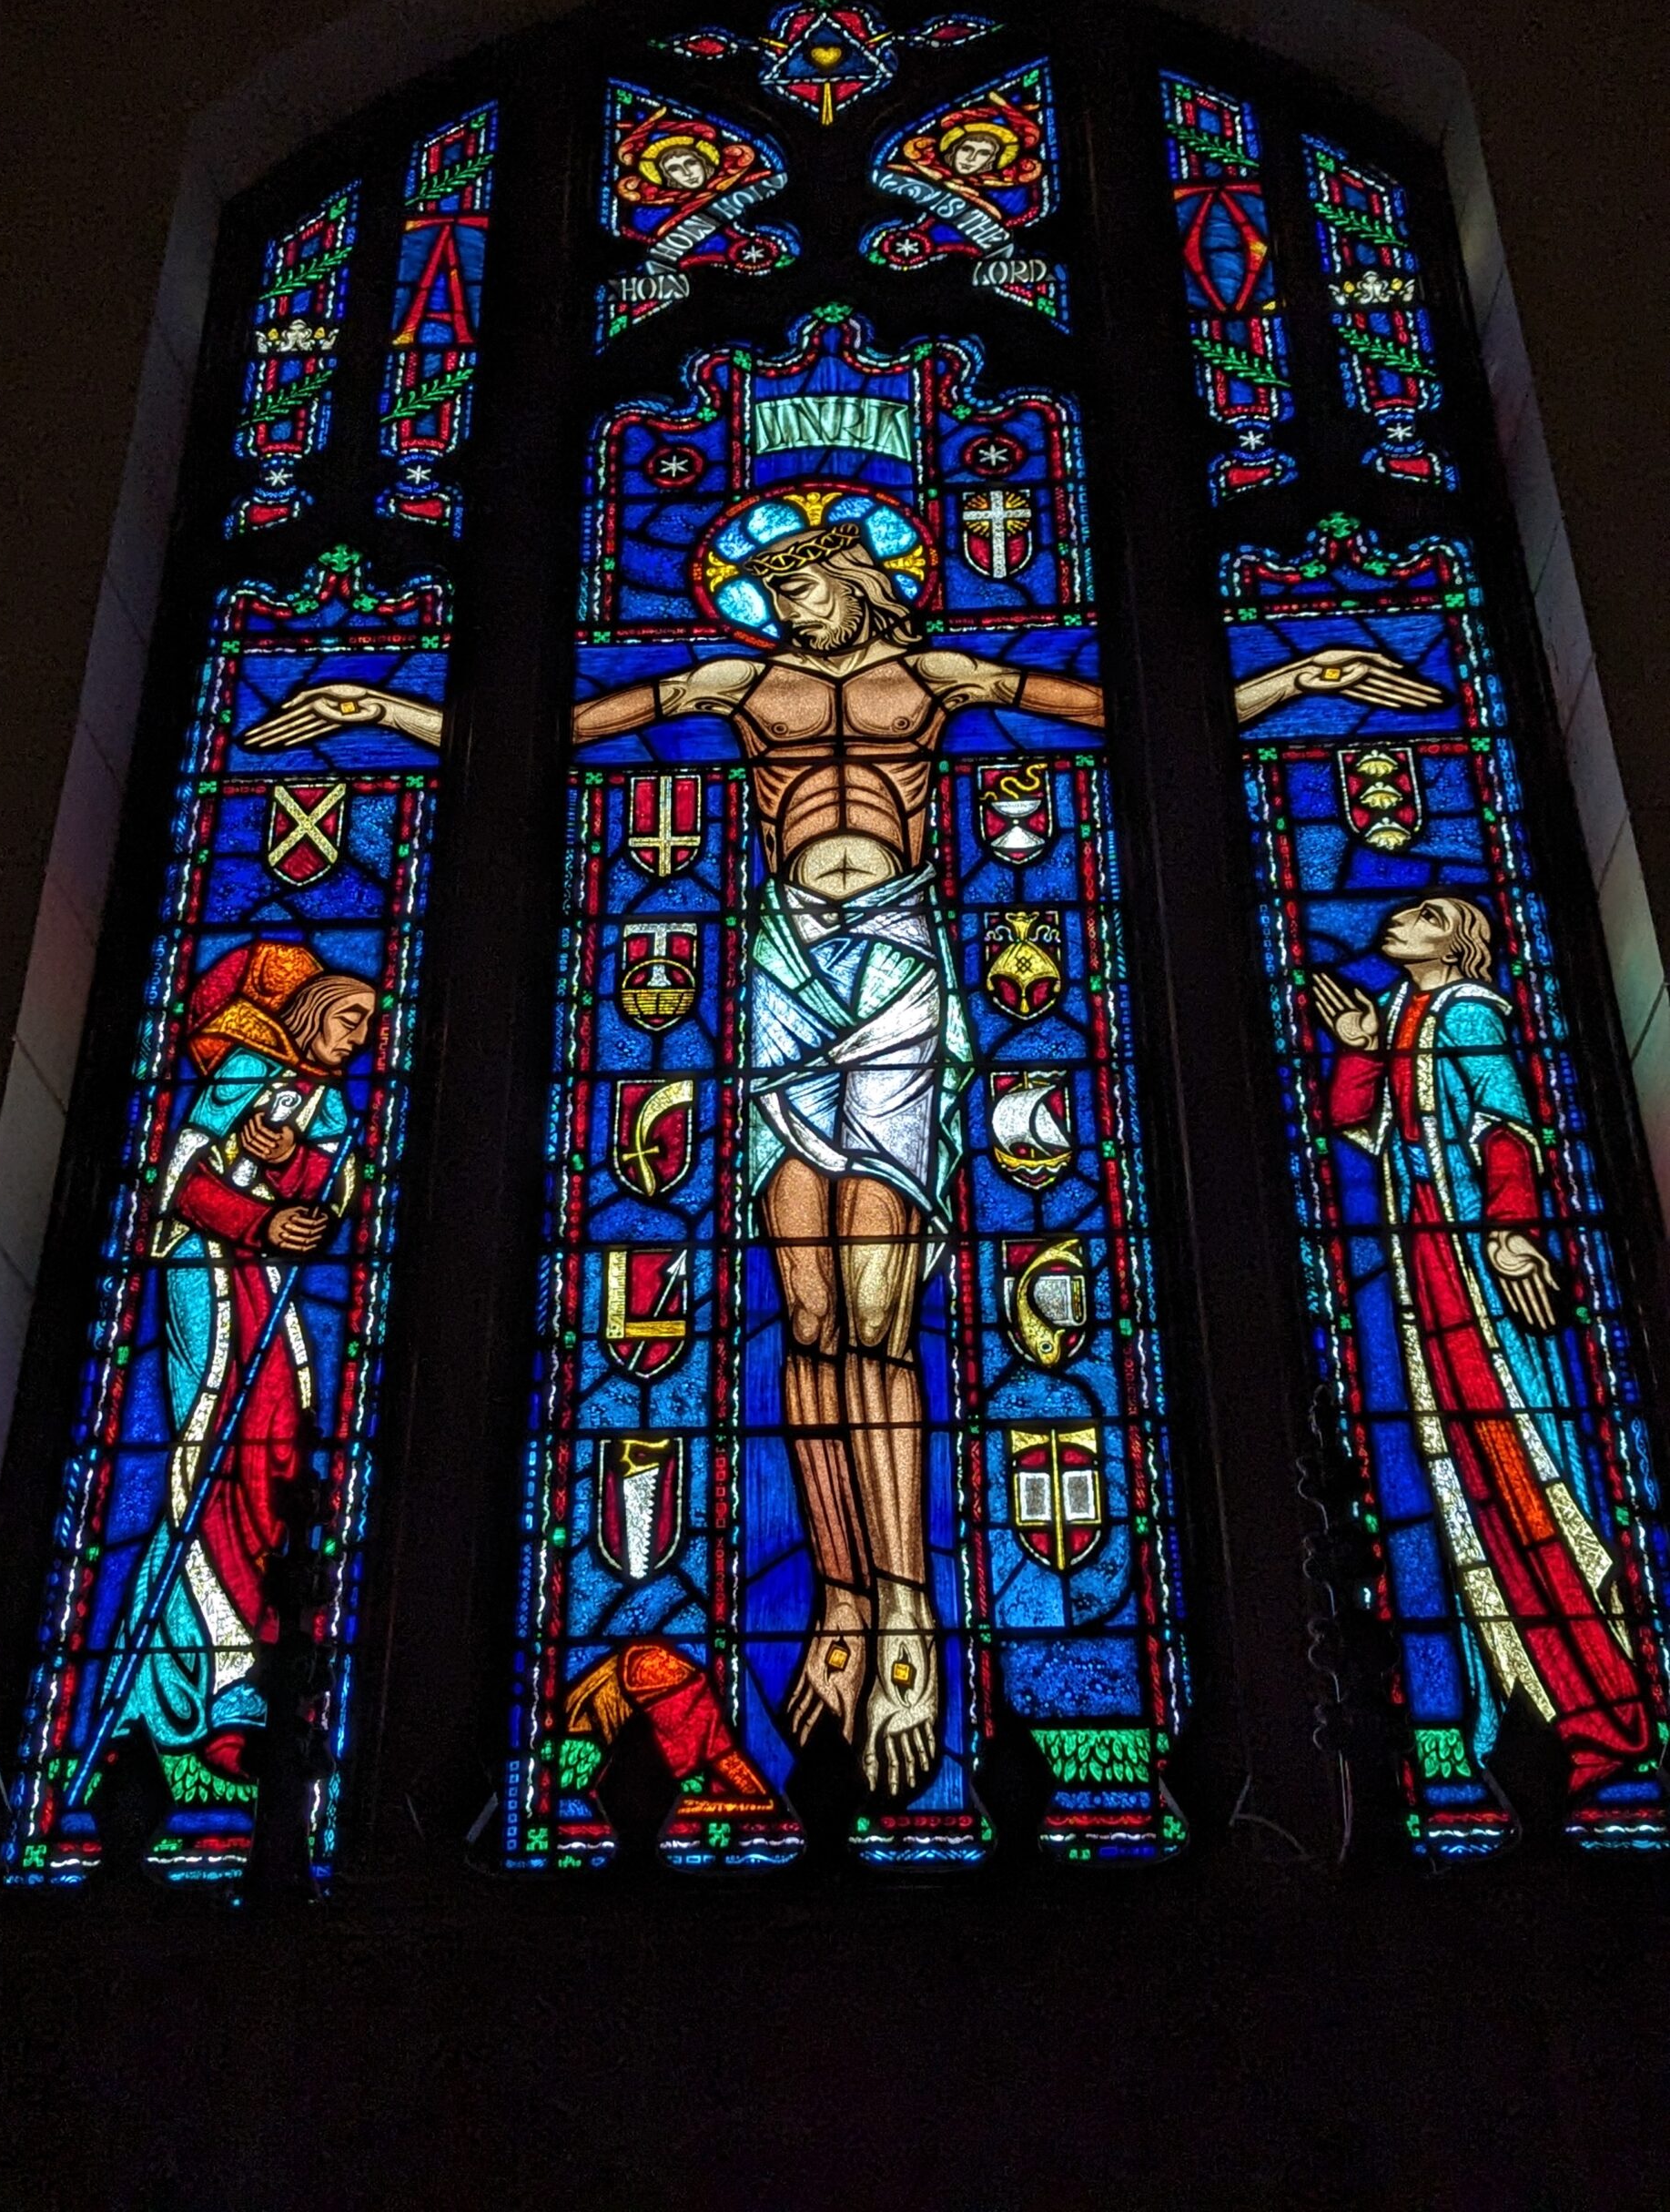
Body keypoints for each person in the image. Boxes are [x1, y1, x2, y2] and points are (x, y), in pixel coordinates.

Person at [252, 510, 1436, 1801]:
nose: (782, 606)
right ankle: (840, 1597)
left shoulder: (931, 677)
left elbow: (1124, 711)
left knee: (877, 1313)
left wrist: (1304, 676)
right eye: (767, 587)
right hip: (782, 963)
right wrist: (378, 702)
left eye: (799, 584)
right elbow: (549, 732)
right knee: (808, 1319)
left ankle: (911, 1608)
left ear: (855, 580)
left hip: (894, 960)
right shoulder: (738, 684)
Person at [1313, 898, 1649, 1795]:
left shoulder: (1468, 1014)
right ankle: (1517, 1699)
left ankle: (1597, 1702)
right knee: (1460, 1478)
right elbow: (1363, 1127)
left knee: (1511, 1456)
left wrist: (1509, 1229)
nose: (1398, 921)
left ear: (1456, 945)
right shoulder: (1400, 1015)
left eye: (1423, 916)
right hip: (1426, 1253)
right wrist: (1359, 1044)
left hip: (1471, 1262)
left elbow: (1503, 1129)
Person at [116, 939, 371, 1785]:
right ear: (307, 1015)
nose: (361, 1037)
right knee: (211, 1450)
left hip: (266, 1288)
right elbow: (183, 1180)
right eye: (349, 1018)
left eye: (369, 1025)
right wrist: (260, 1215)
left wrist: (288, 1174)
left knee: (276, 1456)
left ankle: (250, 1679)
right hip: (210, 1280)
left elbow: (330, 1188)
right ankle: (201, 1687)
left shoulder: (327, 1101)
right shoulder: (244, 1074)